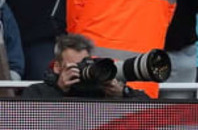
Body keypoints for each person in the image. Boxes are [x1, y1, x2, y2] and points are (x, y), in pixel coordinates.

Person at [20, 33, 149, 99]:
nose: (82, 69)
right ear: (57, 67)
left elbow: (152, 111)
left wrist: (122, 93)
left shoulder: (102, 88)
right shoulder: (37, 92)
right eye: (76, 65)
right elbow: (28, 123)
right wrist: (59, 90)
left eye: (85, 63)